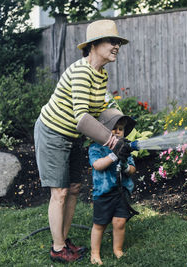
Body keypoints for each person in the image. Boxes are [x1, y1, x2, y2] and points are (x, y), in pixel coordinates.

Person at [34, 20, 132, 263]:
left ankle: (64, 240)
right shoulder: (81, 71)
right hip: (53, 131)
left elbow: (104, 108)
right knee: (59, 191)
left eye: (118, 42)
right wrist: (112, 142)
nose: (117, 46)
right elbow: (82, 117)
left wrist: (123, 133)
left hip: (72, 136)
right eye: (112, 41)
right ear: (94, 45)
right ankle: (58, 249)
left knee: (75, 188)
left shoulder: (101, 75)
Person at [88, 108, 137, 265]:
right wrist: (113, 155)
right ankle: (94, 253)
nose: (117, 132)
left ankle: (118, 249)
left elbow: (132, 169)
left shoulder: (125, 148)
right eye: (113, 128)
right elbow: (97, 165)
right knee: (100, 224)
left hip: (121, 193)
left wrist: (124, 164)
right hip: (103, 193)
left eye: (120, 129)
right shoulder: (96, 148)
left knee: (119, 222)